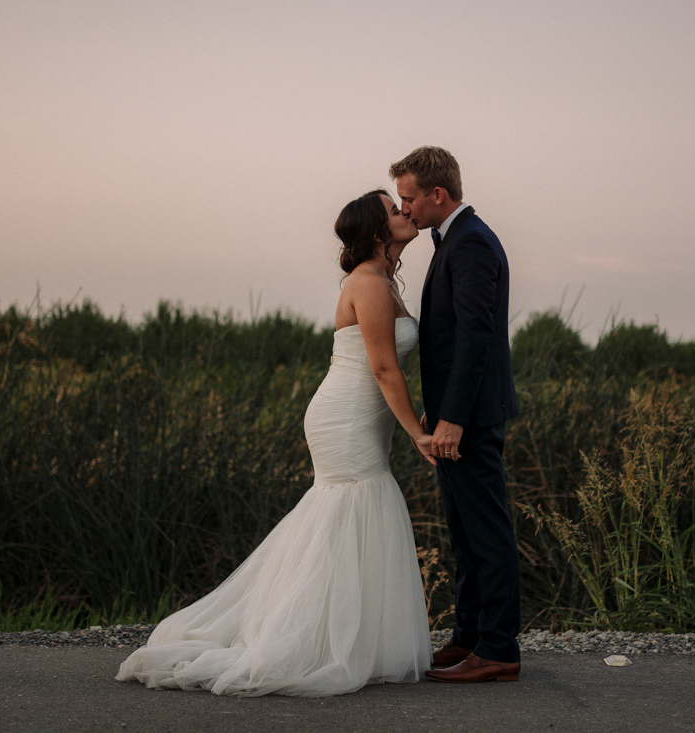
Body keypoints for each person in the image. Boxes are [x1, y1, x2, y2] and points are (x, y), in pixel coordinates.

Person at [116, 190, 436, 697]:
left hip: (360, 416)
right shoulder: (368, 284)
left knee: (346, 513)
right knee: (349, 508)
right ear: (377, 230)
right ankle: (308, 638)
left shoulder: (381, 281)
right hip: (347, 415)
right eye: (394, 209)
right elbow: (381, 367)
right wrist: (417, 432)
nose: (405, 212)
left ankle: (343, 636)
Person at [390, 146, 522, 683]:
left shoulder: (470, 243)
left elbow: (475, 336)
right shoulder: (456, 240)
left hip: (470, 417)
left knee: (487, 531)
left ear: (436, 195)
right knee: (464, 531)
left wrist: (454, 419)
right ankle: (469, 636)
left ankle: (498, 648)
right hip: (456, 412)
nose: (406, 209)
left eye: (409, 198)